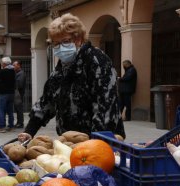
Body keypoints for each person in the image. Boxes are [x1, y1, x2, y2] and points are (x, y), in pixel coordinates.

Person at [18, 13, 125, 143]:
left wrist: (96, 143)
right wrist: (29, 131)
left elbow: (106, 106)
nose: (60, 47)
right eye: (56, 43)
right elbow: (46, 103)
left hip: (99, 140)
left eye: (66, 41)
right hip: (69, 141)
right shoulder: (60, 70)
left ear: (78, 39)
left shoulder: (97, 60)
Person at [0, 57, 16, 133]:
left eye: (2, 63)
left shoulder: (3, 71)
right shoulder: (13, 71)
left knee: (1, 110)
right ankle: (11, 126)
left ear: (4, 64)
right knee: (10, 110)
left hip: (3, 93)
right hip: (11, 93)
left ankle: (2, 126)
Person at [13, 60, 26, 128]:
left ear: (18, 65)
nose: (13, 67)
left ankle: (20, 123)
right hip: (18, 93)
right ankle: (19, 122)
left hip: (19, 94)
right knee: (17, 109)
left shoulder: (21, 74)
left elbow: (20, 84)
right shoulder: (18, 73)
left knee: (19, 108)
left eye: (14, 65)